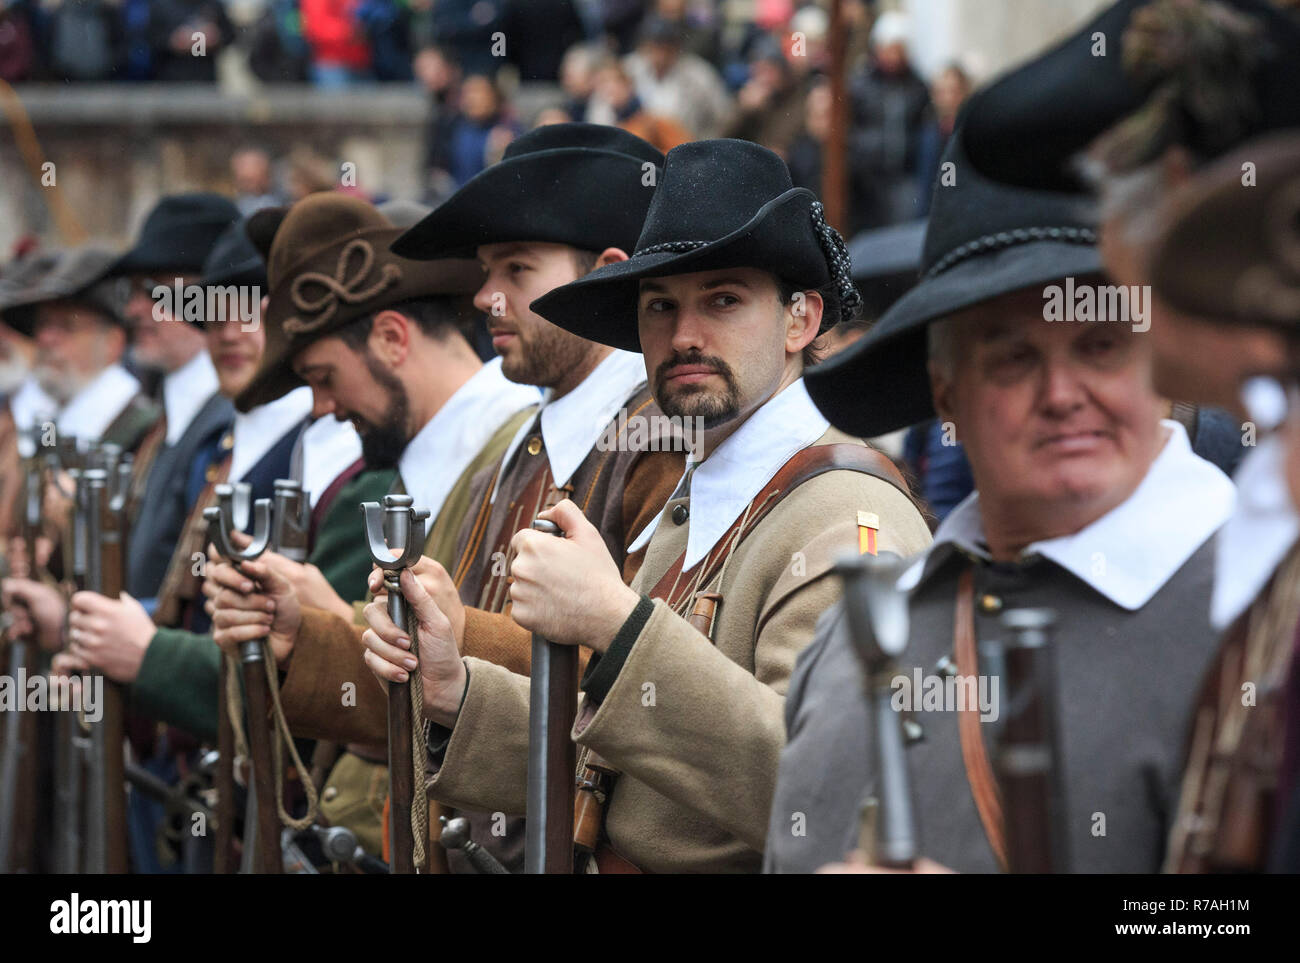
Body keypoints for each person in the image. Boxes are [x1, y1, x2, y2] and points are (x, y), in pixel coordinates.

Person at [360, 138, 932, 873]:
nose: (684, 335)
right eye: (660, 305)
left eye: (723, 299)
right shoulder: (706, 494)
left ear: (800, 320)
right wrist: (455, 691)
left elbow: (837, 790)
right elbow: (618, 758)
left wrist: (616, 624)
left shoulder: (849, 518)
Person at [209, 123, 688, 872]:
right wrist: (306, 632)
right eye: (488, 270)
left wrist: (430, 630)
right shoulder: (513, 454)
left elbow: (638, 696)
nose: (487, 296)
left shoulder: (664, 448)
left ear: (606, 275)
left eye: (517, 270)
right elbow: (430, 687)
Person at [765, 126, 1235, 874]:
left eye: (1101, 344)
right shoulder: (855, 637)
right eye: (1013, 356)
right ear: (946, 392)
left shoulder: (1263, 620)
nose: (1060, 395)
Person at [198, 191, 537, 862]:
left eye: (324, 378)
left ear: (390, 337)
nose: (322, 408)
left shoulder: (526, 454)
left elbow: (536, 700)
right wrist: (323, 626)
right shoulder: (439, 465)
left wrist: (339, 626)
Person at [108, 192, 241, 608]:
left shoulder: (229, 419)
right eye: (132, 291)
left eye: (152, 290)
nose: (133, 309)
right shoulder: (167, 419)